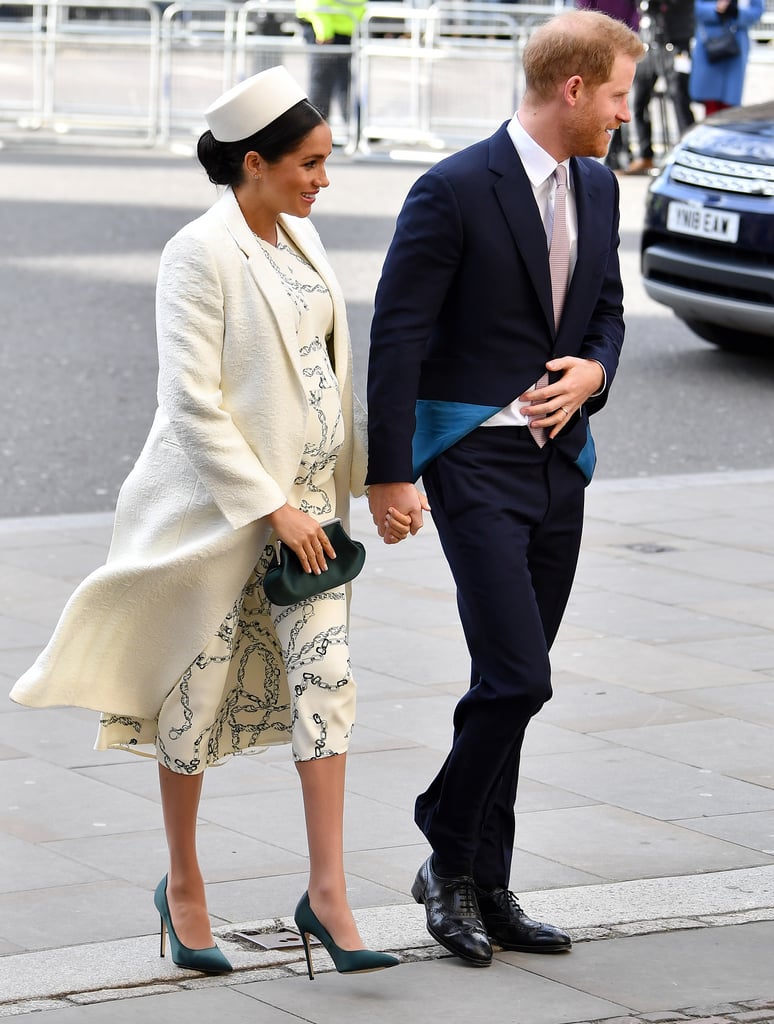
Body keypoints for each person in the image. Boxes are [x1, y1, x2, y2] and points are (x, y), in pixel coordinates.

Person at [9, 66, 405, 981]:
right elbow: (190, 405)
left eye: (327, 162)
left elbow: (326, 377)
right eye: (308, 164)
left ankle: (330, 897)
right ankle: (182, 886)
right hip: (224, 521)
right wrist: (269, 507)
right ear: (254, 163)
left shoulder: (304, 245)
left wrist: (377, 478)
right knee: (194, 705)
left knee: (328, 686)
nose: (322, 181)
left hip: (312, 520)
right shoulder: (199, 250)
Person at [366, 11, 644, 967]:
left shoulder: (600, 187)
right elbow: (397, 334)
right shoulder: (451, 189)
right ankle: (448, 851)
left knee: (507, 689)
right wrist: (391, 471)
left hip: (559, 462)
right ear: (573, 90)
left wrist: (594, 373)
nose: (623, 112)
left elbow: (606, 313)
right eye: (616, 94)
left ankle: (488, 878)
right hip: (471, 460)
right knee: (521, 673)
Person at [625, 0, 696, 174]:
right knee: (637, 101)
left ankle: (688, 154)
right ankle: (644, 156)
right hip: (648, 43)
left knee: (679, 99)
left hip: (675, 42)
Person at [575, 0, 641, 169]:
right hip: (596, 50)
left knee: (617, 104)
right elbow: (584, 11)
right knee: (601, 104)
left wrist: (630, 38)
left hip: (623, 49)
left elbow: (635, 11)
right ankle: (599, 156)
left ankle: (615, 153)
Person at [296, 0, 366, 126]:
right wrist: (324, 30)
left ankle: (354, 130)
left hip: (339, 25)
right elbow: (316, 4)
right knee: (323, 85)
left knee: (342, 83)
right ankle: (316, 131)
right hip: (327, 28)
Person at [689, 0, 763, 116]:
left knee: (730, 103)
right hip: (709, 45)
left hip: (735, 47)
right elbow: (697, 8)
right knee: (711, 101)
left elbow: (757, 11)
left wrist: (737, 12)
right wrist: (716, 8)